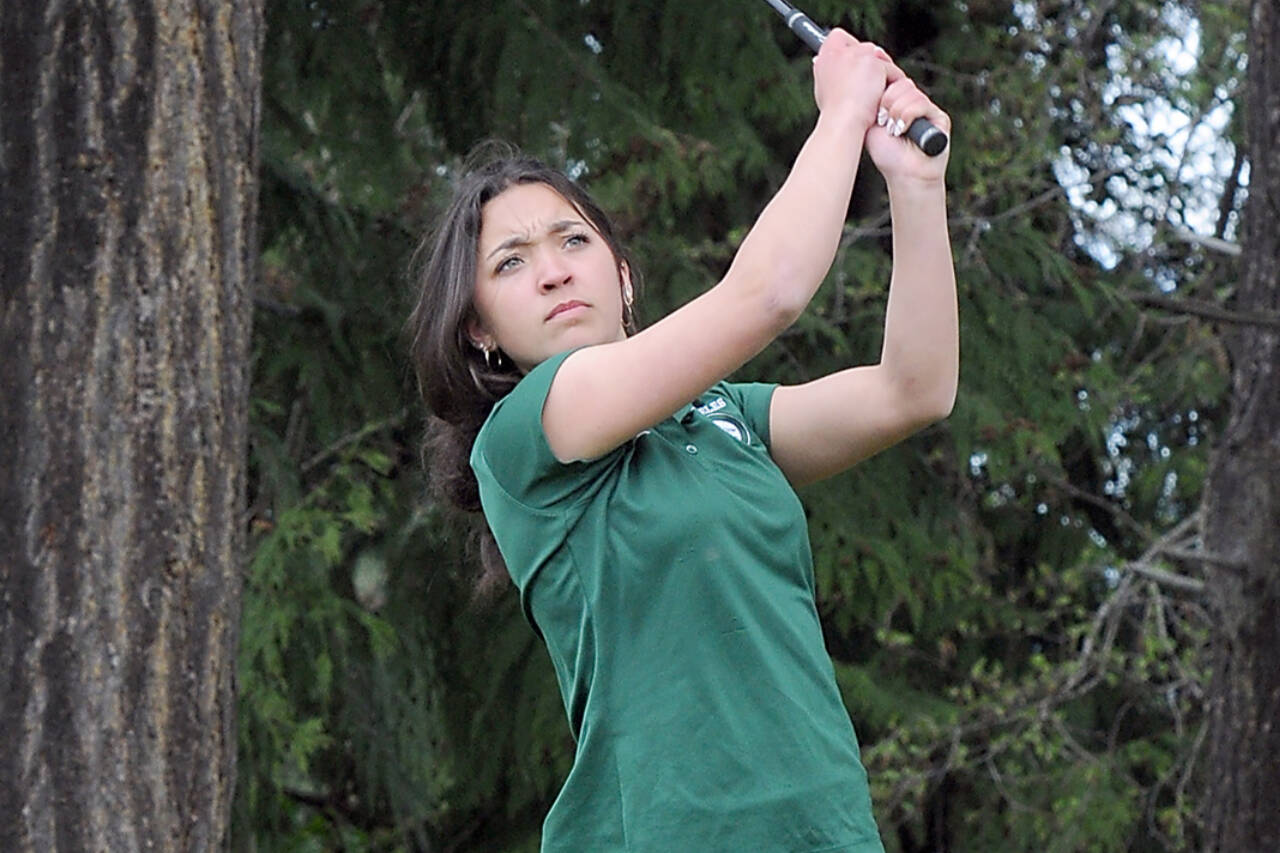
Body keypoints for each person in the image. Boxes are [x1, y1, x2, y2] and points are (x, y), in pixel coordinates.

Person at [408, 29, 957, 853]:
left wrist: (915, 188)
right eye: (511, 263)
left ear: (621, 275)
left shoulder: (723, 415)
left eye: (572, 240)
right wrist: (844, 112)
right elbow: (765, 295)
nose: (554, 270)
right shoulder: (526, 436)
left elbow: (911, 390)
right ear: (481, 331)